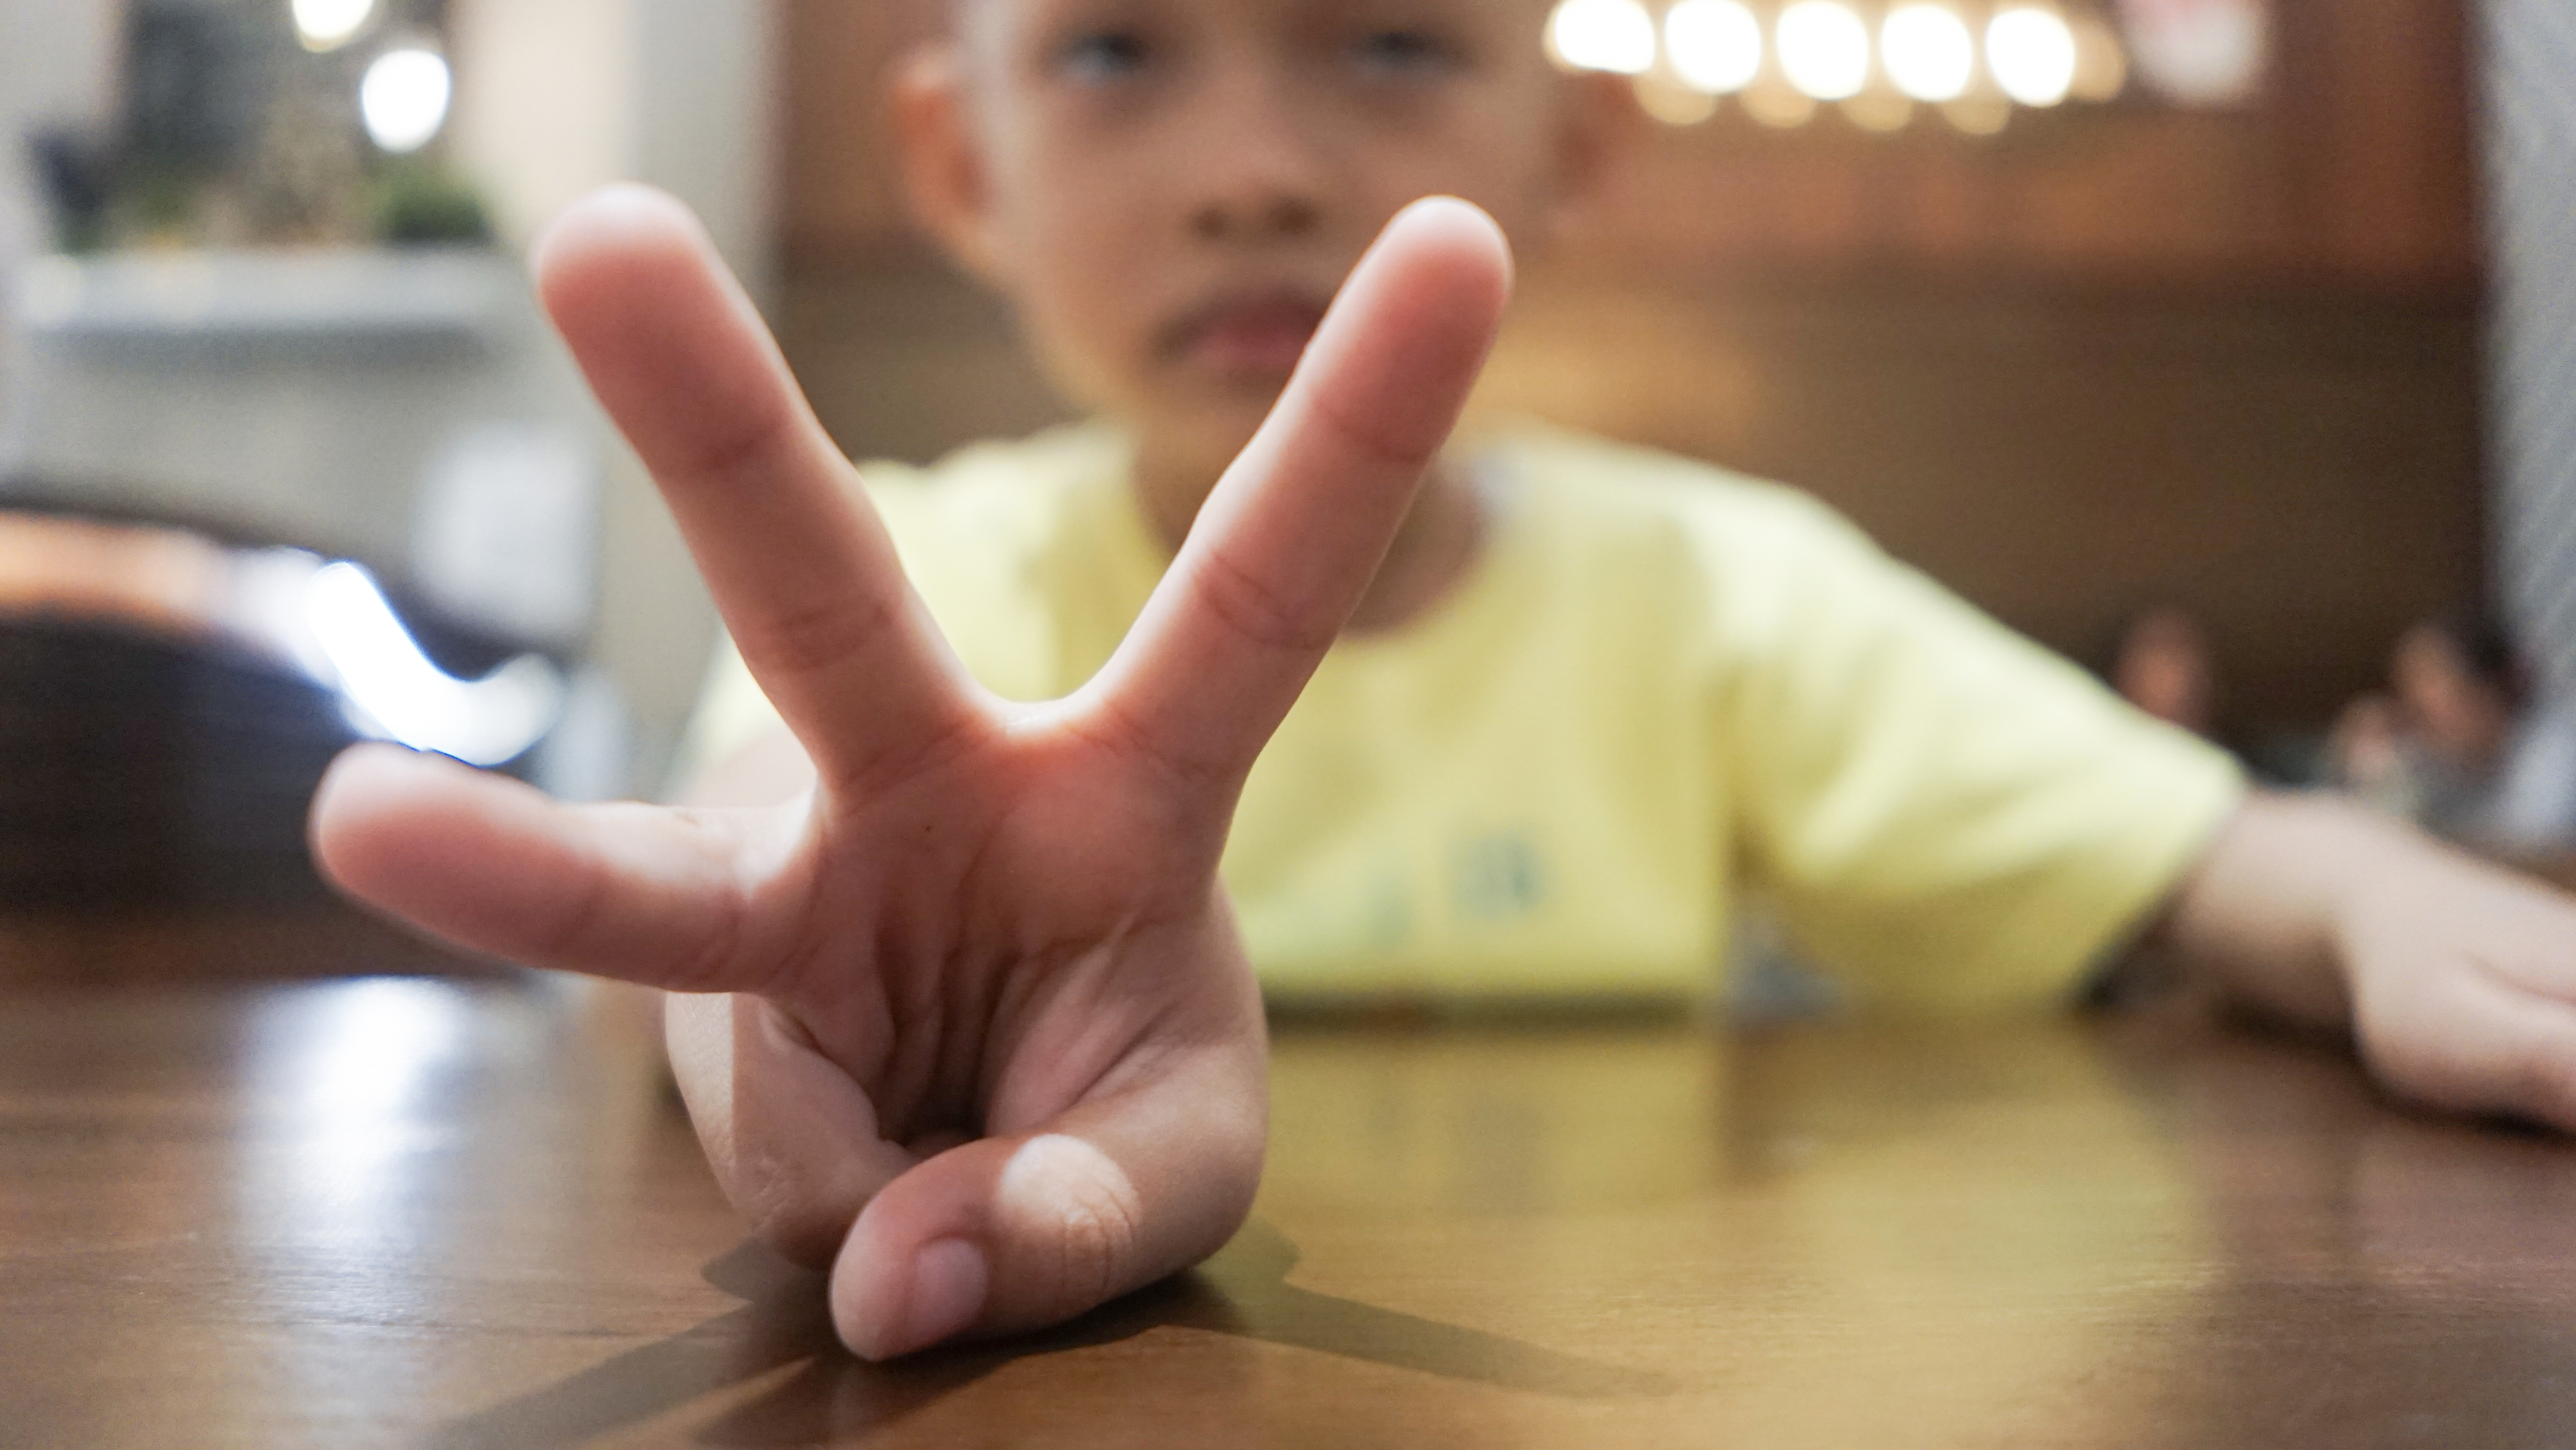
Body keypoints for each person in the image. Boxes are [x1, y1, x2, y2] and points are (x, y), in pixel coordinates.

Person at [308, 0, 2576, 1365]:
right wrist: (763, 1000)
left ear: (1569, 140)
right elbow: (718, 900)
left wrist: (2378, 911)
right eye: (1113, 47)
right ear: (956, 158)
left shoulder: (1716, 591)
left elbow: (2207, 848)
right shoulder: (913, 573)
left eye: (1391, 37)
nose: (1259, 171)